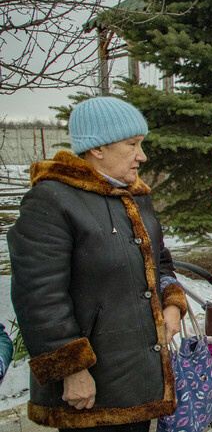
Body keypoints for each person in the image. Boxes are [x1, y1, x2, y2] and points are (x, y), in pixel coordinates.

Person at [8, 97, 187, 430]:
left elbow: (160, 261)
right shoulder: (52, 201)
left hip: (138, 377)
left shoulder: (135, 196)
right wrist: (72, 370)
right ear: (98, 148)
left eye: (141, 144)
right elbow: (39, 297)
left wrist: (172, 304)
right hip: (90, 389)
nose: (142, 155)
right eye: (132, 144)